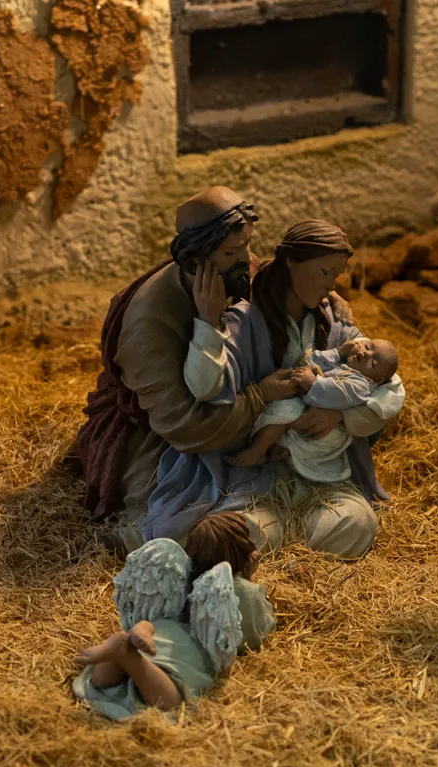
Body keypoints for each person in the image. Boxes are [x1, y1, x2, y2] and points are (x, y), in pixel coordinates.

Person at [75, 188, 313, 555]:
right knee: (183, 517)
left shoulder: (233, 273)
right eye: (232, 253)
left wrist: (328, 304)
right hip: (162, 436)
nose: (247, 260)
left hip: (235, 412)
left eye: (248, 246)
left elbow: (282, 287)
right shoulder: (148, 325)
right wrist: (261, 394)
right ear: (195, 261)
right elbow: (188, 428)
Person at [148, 220, 405, 557]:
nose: (331, 285)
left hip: (321, 475)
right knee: (247, 533)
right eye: (326, 272)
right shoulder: (246, 319)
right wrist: (208, 323)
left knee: (355, 524)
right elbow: (204, 388)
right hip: (258, 476)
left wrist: (340, 414)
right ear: (292, 262)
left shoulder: (333, 322)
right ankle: (274, 535)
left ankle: (300, 542)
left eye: (336, 276)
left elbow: (389, 383)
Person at [72, 512, 274, 721]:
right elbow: (251, 636)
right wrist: (248, 579)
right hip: (186, 651)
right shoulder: (237, 591)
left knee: (100, 685)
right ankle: (126, 653)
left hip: (160, 630)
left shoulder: (176, 571)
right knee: (170, 701)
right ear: (244, 548)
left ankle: (135, 634)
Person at [219, 337, 400, 481]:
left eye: (373, 363)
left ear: (378, 379)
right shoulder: (345, 365)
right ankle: (276, 447)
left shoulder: (361, 384)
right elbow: (312, 359)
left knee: (286, 410)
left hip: (324, 428)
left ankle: (257, 450)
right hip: (309, 408)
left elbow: (337, 394)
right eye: (367, 346)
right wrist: (337, 352)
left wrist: (313, 383)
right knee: (286, 413)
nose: (366, 354)